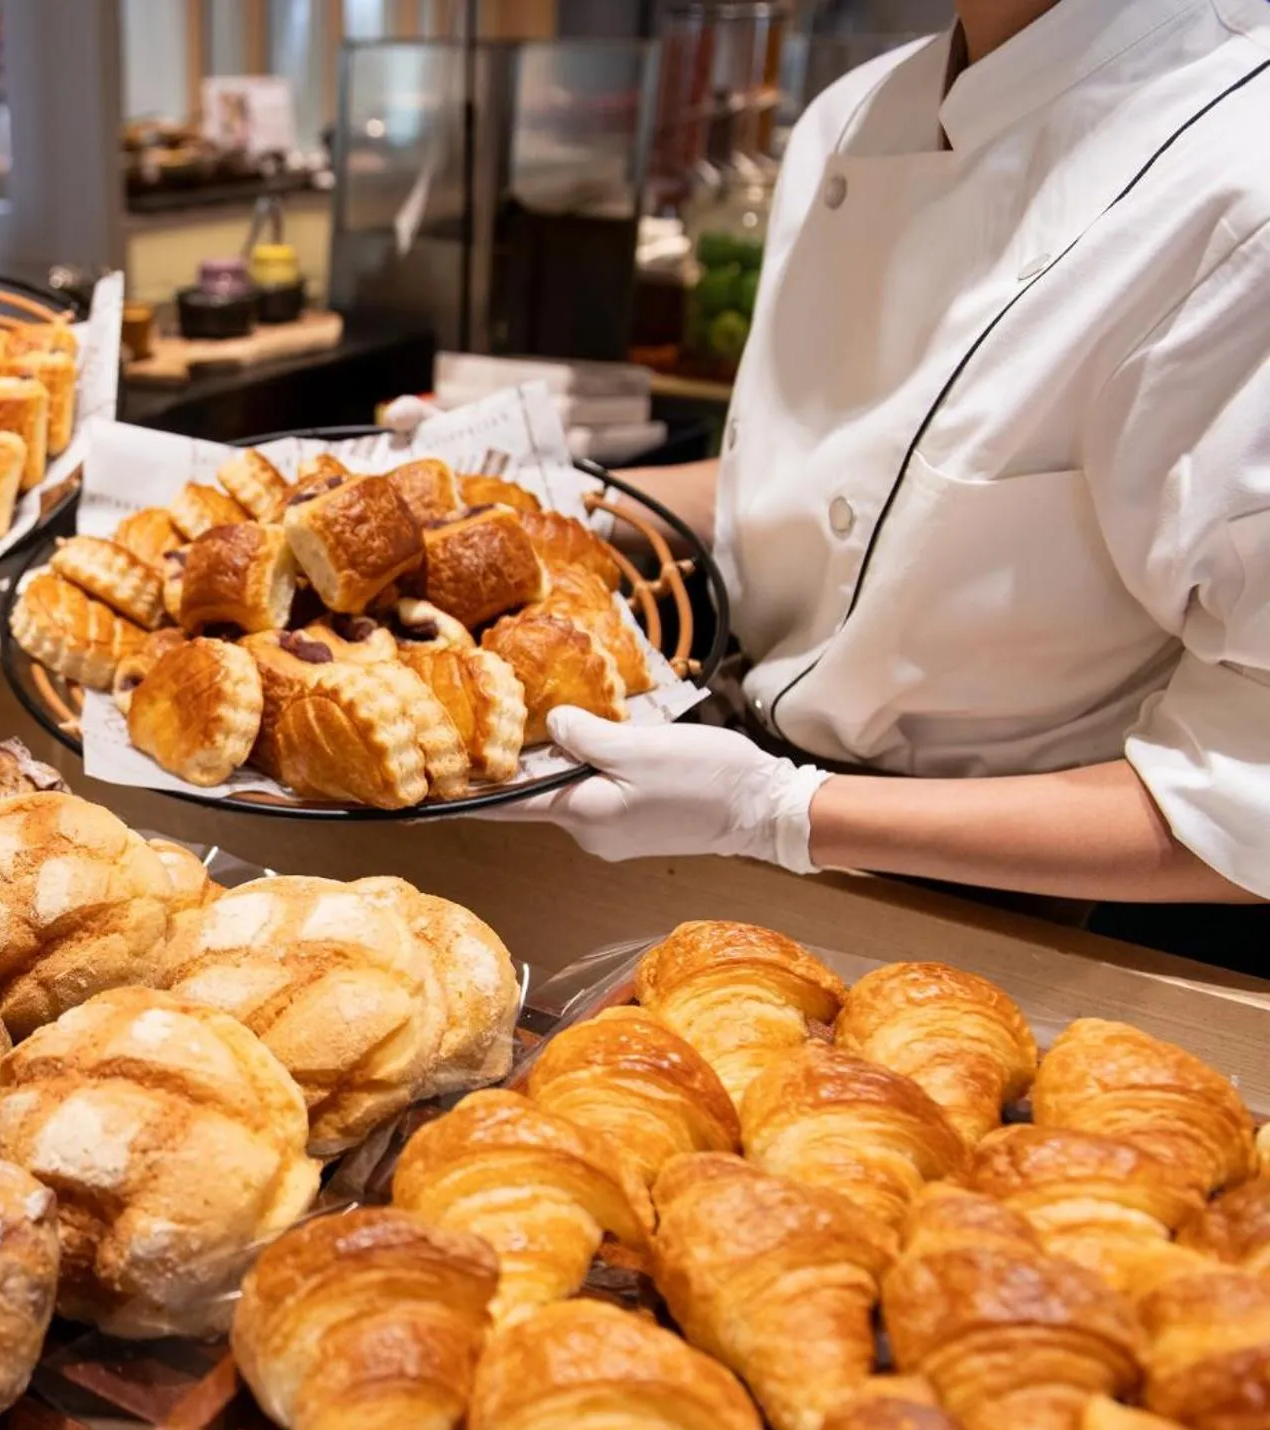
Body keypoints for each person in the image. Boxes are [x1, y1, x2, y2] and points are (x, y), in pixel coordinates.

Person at [506, 0, 1270, 927]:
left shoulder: (1240, 174)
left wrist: (781, 813)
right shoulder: (852, 114)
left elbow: (1243, 802)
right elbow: (836, 504)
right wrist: (522, 500)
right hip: (719, 810)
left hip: (1040, 905)